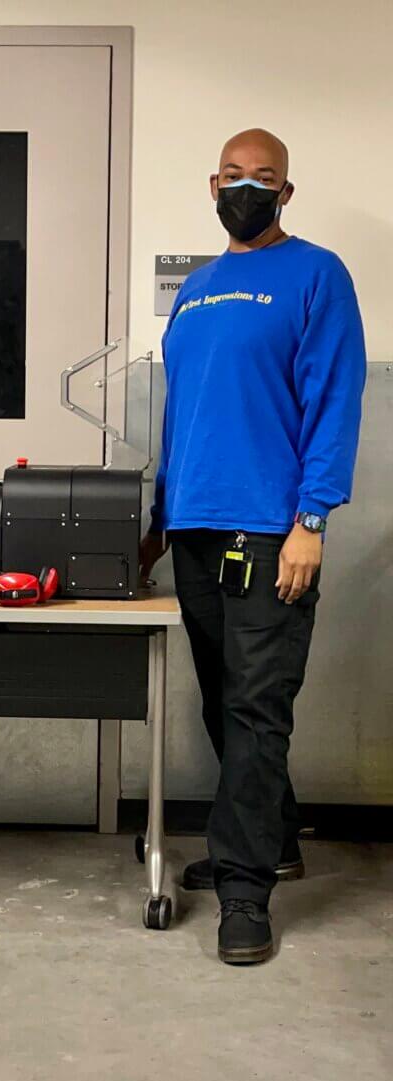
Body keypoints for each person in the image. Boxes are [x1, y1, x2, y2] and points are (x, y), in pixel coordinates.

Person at [140, 129, 366, 965]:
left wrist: (312, 521)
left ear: (286, 191)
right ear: (212, 184)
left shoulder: (316, 274)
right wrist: (159, 519)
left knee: (255, 711)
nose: (247, 187)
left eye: (263, 178)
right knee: (223, 700)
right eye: (234, 176)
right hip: (195, 528)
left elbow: (334, 399)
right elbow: (182, 412)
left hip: (272, 531)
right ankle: (273, 842)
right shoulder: (197, 291)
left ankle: (245, 892)